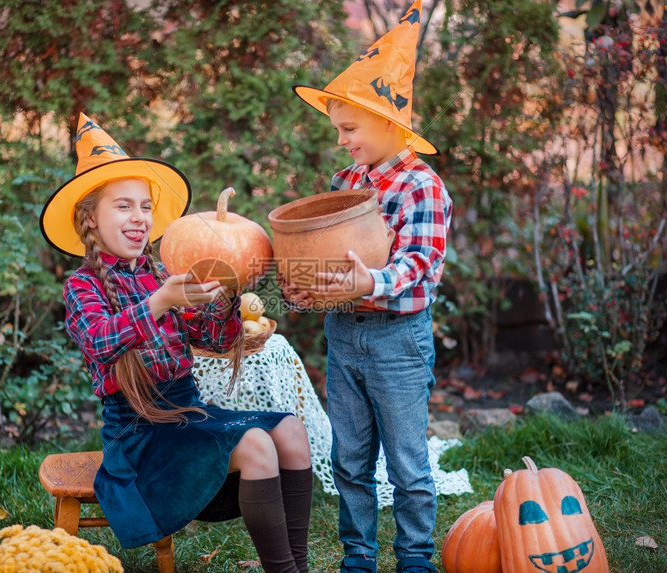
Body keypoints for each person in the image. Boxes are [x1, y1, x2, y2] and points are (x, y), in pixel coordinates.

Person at [40, 113, 313, 573]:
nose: (139, 217)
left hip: (187, 410)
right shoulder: (81, 286)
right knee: (256, 445)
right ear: (91, 218)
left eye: (145, 207)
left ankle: (298, 565)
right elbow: (100, 342)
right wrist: (160, 302)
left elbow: (214, 340)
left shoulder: (160, 272)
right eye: (123, 206)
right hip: (139, 430)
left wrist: (224, 299)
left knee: (290, 430)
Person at [284, 2, 452, 572]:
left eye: (349, 129)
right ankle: (358, 557)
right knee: (350, 458)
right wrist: (308, 289)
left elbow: (418, 267)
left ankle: (415, 559)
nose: (342, 142)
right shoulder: (346, 183)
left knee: (407, 462)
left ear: (386, 121)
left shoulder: (420, 187)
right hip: (344, 335)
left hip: (397, 341)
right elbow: (329, 258)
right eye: (337, 131)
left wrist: (367, 281)